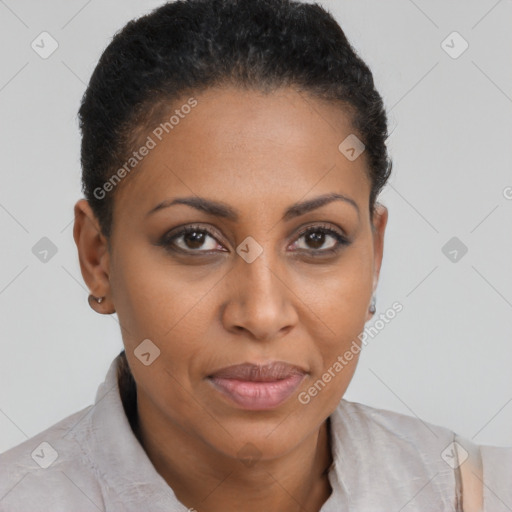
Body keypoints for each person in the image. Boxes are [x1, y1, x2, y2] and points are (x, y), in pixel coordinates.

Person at [1, 0, 510, 510]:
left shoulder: (478, 494)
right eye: (194, 239)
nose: (263, 314)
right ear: (98, 258)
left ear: (374, 254)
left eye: (316, 239)